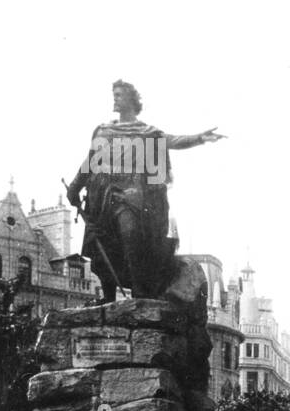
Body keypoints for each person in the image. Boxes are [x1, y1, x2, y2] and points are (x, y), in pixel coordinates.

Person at [66, 80, 223, 302]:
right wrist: (74, 187)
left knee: (131, 238)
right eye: (114, 94)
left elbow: (173, 141)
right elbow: (90, 161)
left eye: (119, 94)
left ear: (132, 100)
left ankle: (140, 292)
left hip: (130, 195)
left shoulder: (146, 132)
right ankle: (108, 295)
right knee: (104, 242)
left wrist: (199, 138)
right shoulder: (103, 131)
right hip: (101, 196)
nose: (115, 98)